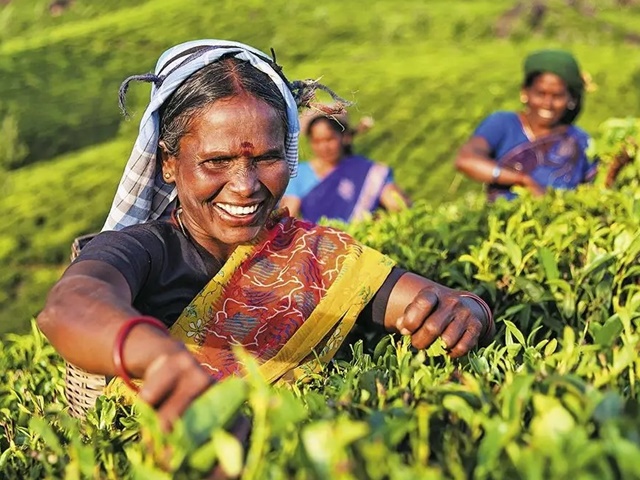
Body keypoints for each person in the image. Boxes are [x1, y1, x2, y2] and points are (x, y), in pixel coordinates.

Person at [37, 39, 494, 430]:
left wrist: (467, 312)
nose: (245, 185)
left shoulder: (314, 255)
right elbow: (69, 306)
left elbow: (432, 300)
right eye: (216, 161)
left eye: (266, 159)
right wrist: (156, 358)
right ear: (170, 163)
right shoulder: (146, 248)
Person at [455, 49, 598, 202]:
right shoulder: (503, 123)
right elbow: (466, 160)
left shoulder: (580, 141)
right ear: (525, 92)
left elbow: (594, 192)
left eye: (557, 96)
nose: (547, 104)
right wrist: (523, 180)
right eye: (540, 94)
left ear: (571, 99)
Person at [279, 109, 411, 223]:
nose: (323, 147)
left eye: (329, 139)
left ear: (344, 137)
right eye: (317, 141)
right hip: (319, 245)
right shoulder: (299, 174)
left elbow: (398, 205)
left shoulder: (365, 171)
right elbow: (289, 216)